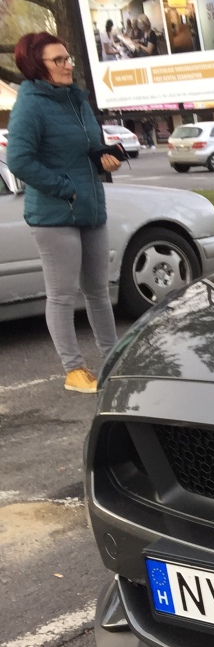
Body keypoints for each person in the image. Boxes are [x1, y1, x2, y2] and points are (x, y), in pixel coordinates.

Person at [6, 32, 121, 394]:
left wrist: (106, 157)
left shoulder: (78, 101)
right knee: (62, 294)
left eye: (67, 58)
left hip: (90, 207)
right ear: (37, 67)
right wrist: (65, 187)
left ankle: (114, 360)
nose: (68, 64)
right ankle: (74, 370)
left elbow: (88, 145)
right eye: (59, 60)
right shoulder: (30, 105)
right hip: (55, 215)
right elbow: (19, 160)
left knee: (99, 290)